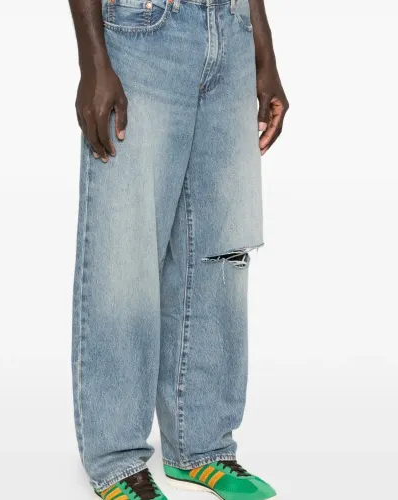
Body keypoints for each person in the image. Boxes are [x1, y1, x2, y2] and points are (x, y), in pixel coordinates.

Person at [68, 0, 288, 497]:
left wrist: (263, 52)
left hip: (231, 31)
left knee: (220, 252)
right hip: (143, 30)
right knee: (124, 251)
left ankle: (202, 446)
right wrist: (93, 60)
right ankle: (117, 459)